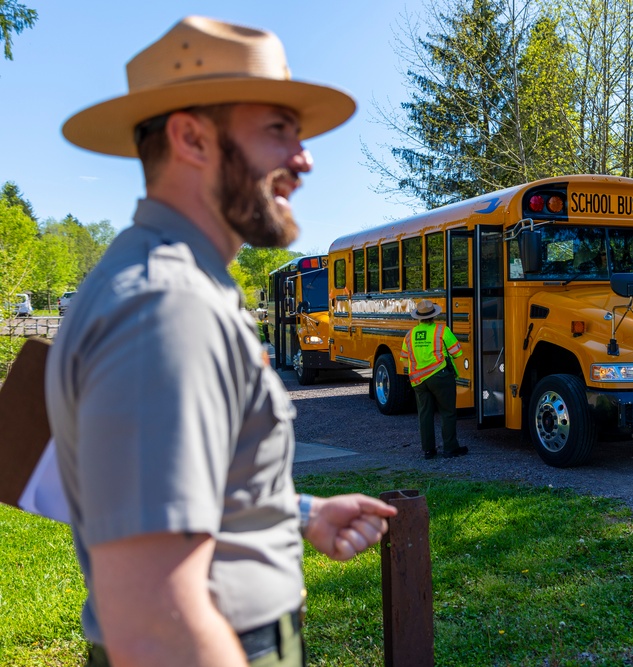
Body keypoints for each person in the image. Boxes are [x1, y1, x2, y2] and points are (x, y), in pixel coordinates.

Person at [45, 16, 397, 667]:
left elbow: (188, 487)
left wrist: (299, 511)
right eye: (278, 130)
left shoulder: (176, 283)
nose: (305, 158)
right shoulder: (166, 305)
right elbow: (156, 624)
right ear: (190, 137)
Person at [399, 300, 467, 460]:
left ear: (419, 318)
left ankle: (428, 450)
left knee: (425, 414)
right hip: (440, 376)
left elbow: (403, 359)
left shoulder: (409, 335)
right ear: (434, 316)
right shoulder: (441, 330)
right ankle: (450, 448)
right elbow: (457, 352)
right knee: (447, 412)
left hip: (418, 380)